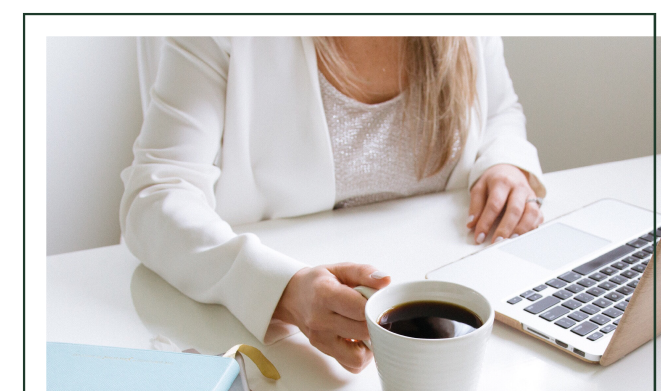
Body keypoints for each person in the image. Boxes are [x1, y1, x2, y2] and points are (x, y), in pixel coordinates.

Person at [120, 36, 546, 373]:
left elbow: (499, 111)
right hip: (284, 354)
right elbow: (154, 196)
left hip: (456, 335)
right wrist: (282, 290)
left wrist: (505, 161)